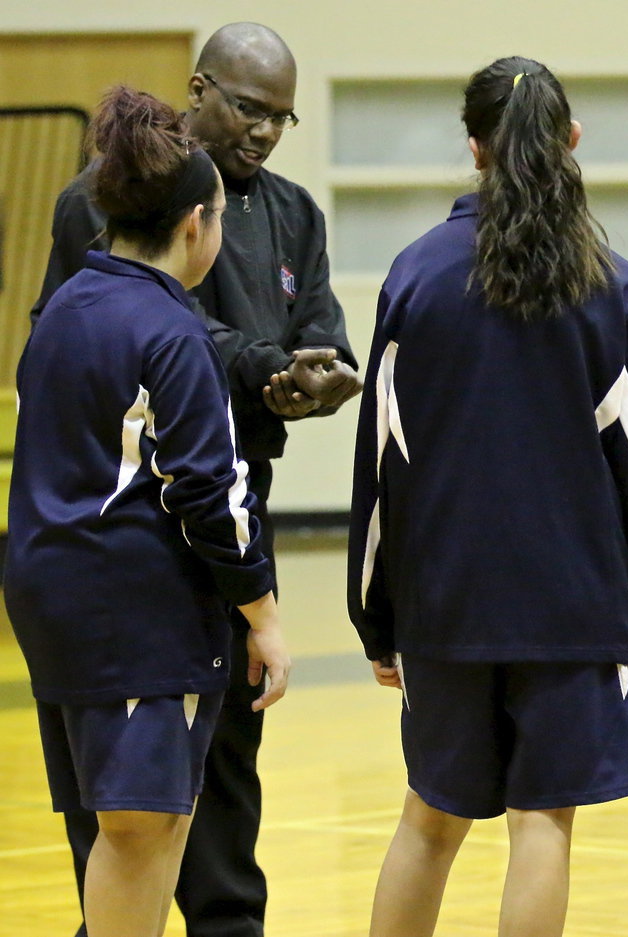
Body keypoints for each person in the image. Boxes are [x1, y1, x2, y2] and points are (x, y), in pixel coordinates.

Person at [29, 23, 359, 937]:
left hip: (220, 508)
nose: (262, 132)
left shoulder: (293, 213)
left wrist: (313, 379)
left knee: (221, 771)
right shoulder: (105, 210)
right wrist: (260, 368)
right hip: (134, 528)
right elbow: (165, 348)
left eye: (280, 119)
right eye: (249, 108)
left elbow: (313, 334)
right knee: (120, 804)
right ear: (199, 87)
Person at [346, 56, 628, 937]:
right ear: (571, 141)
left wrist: (374, 613)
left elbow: (379, 468)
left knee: (430, 820)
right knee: (545, 823)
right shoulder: (618, 290)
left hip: (445, 606)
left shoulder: (414, 278)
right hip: (575, 611)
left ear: (474, 146)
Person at [4, 86, 291, 937]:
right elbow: (208, 488)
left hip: (55, 595)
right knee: (139, 829)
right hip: (130, 604)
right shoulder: (170, 332)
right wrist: (263, 614)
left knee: (146, 824)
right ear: (197, 223)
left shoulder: (62, 311)